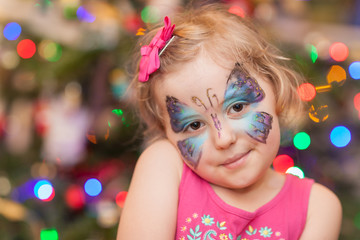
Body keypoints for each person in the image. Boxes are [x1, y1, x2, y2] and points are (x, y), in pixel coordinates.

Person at [117, 3, 342, 240]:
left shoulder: (317, 208)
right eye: (194, 125)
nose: (223, 139)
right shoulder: (163, 165)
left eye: (237, 107)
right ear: (166, 132)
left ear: (275, 88)